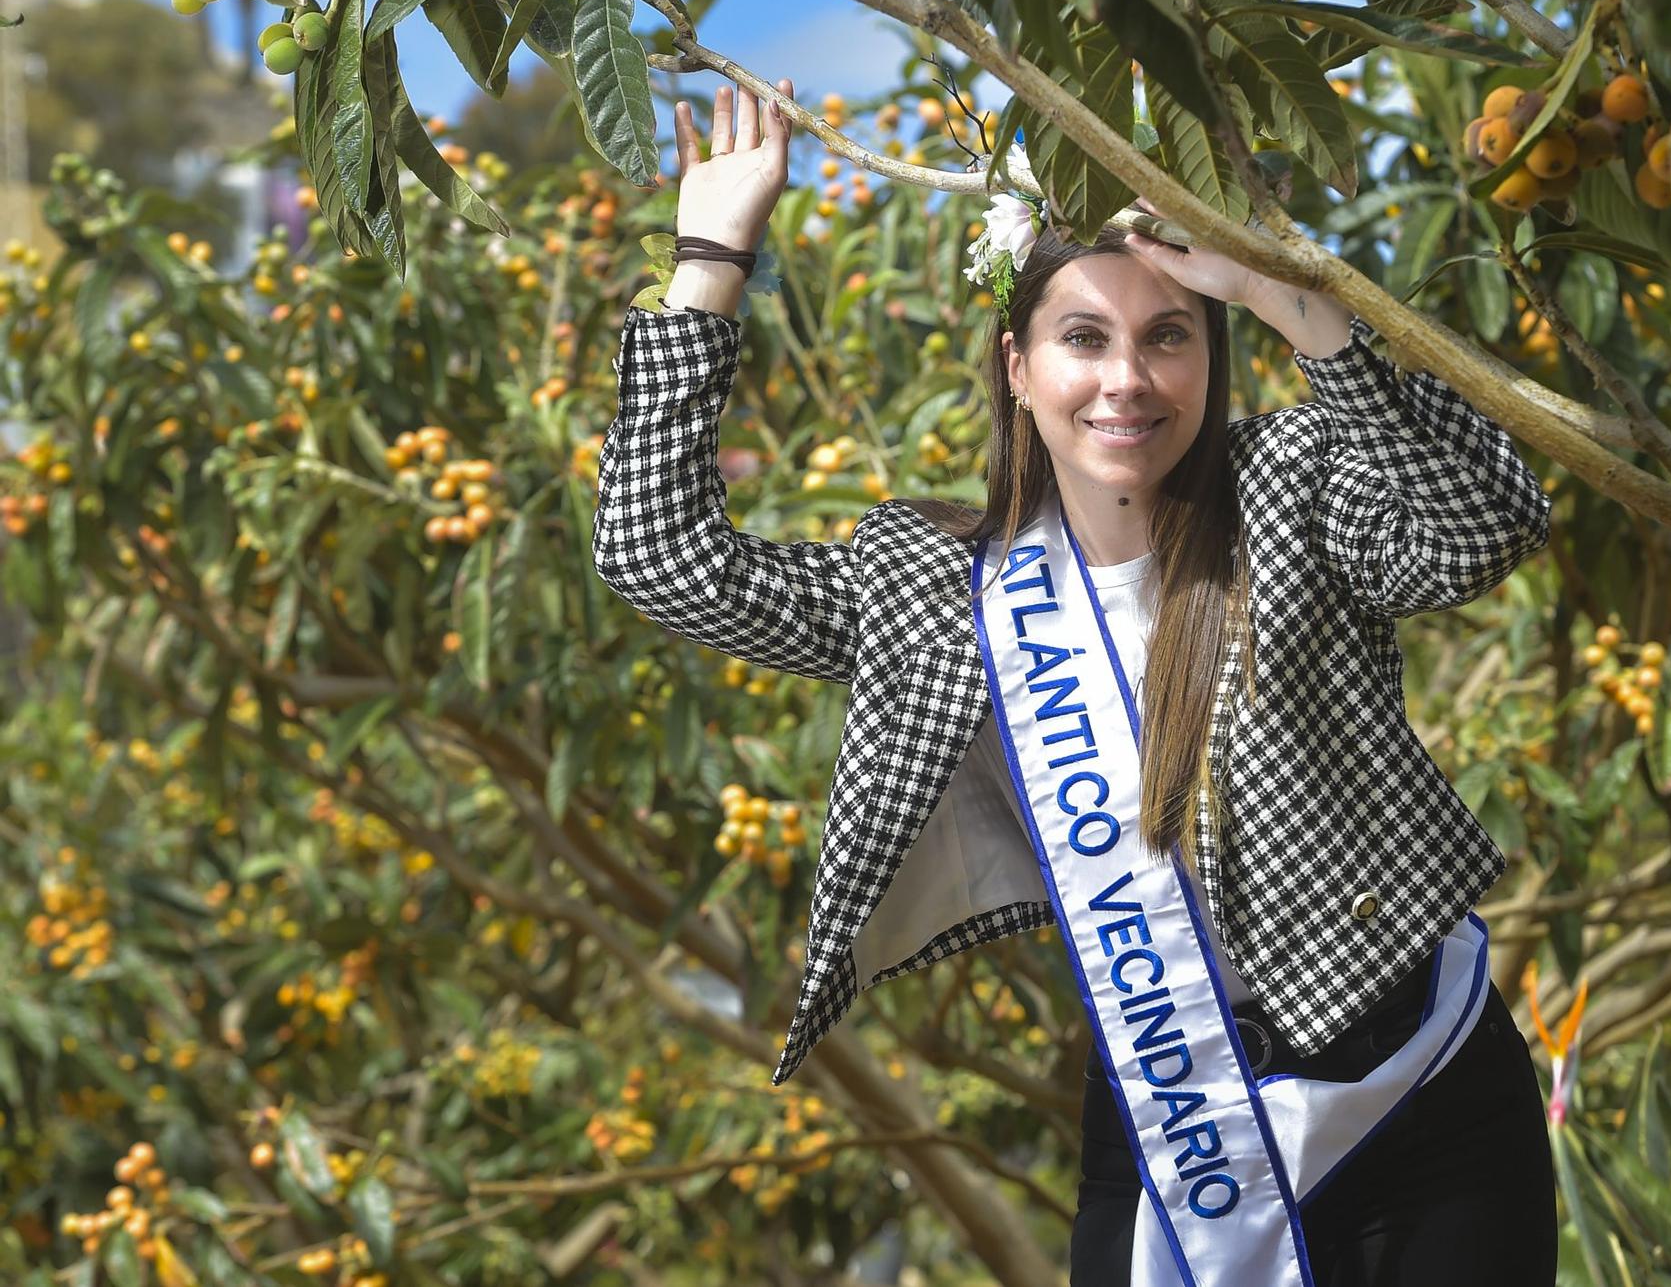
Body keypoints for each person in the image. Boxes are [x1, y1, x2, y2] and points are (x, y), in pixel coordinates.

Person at [593, 77, 1558, 1285]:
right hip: (1169, 1114)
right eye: (1084, 338)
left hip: (1423, 1090)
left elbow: (1482, 525)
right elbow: (655, 552)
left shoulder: (1289, 484)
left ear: (1211, 352)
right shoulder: (933, 582)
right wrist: (711, 254)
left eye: (1169, 335)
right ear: (1016, 362)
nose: (1128, 381)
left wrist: (1287, 298)